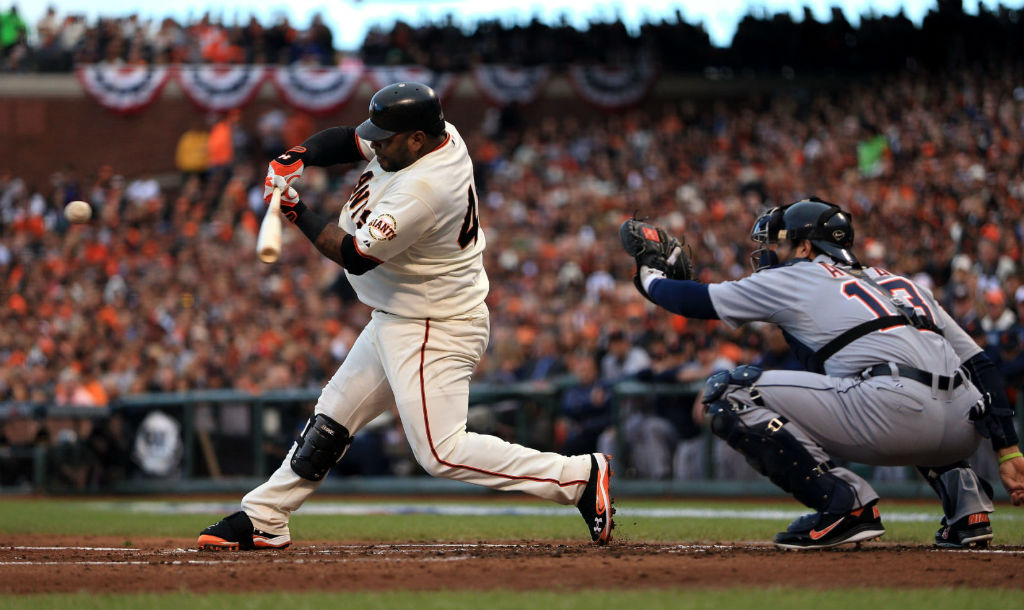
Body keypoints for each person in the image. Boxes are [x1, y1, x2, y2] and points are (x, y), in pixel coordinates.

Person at [197, 82, 613, 550]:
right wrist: (300, 156)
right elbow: (348, 139)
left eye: (385, 139)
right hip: (401, 312)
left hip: (433, 321)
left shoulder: (426, 187)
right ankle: (266, 516)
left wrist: (296, 211)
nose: (374, 145)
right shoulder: (427, 136)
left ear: (417, 138)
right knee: (333, 415)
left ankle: (577, 477)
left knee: (441, 452)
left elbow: (353, 254)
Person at [621, 198, 1024, 550]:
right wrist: (1007, 449)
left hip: (892, 411)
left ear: (806, 245)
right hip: (962, 427)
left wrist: (649, 276)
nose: (772, 252)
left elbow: (698, 301)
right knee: (924, 379)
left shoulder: (801, 274)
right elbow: (980, 365)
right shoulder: (901, 283)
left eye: (780, 244)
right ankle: (967, 509)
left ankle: (844, 505)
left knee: (729, 392)